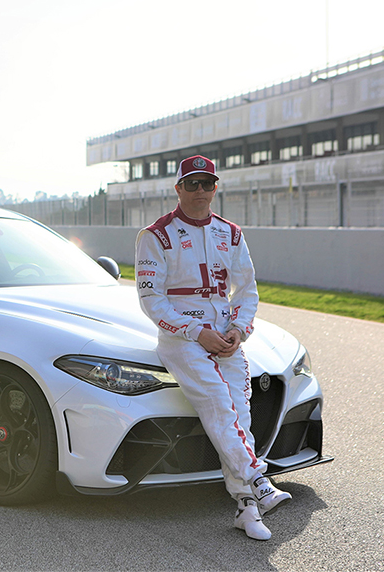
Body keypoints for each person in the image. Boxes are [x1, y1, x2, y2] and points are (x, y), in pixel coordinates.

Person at [135, 155, 290, 541]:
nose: (200, 190)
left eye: (207, 183)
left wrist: (238, 329)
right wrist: (195, 331)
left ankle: (246, 508)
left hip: (225, 338)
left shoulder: (231, 233)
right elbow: (151, 300)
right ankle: (258, 478)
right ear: (178, 189)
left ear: (215, 188)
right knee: (219, 405)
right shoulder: (156, 235)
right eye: (192, 183)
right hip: (181, 340)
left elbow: (247, 290)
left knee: (239, 416)